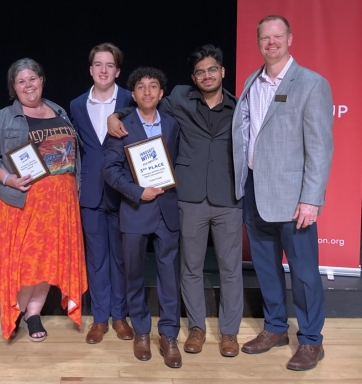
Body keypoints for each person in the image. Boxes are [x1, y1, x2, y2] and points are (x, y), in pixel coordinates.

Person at [107, 45, 243, 357]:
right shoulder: (179, 99)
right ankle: (195, 328)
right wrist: (116, 114)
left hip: (228, 198)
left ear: (222, 72)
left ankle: (230, 333)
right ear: (193, 78)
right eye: (200, 72)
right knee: (189, 268)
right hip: (189, 198)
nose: (206, 76)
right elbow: (144, 103)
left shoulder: (240, 106)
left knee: (231, 269)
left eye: (212, 70)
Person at [232, 15, 333, 371]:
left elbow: (320, 147)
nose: (271, 42)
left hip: (294, 200)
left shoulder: (310, 83)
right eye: (265, 37)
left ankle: (310, 340)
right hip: (255, 191)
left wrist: (311, 198)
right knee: (265, 268)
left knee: (304, 273)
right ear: (258, 41)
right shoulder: (251, 82)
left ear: (290, 38)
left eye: (277, 36)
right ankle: (275, 328)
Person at [0, 58, 87, 342]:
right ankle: (16, 310)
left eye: (33, 79)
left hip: (61, 203)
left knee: (48, 262)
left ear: (42, 80)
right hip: (24, 202)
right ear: (14, 87)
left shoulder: (59, 110)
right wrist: (6, 178)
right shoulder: (2, 117)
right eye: (21, 81)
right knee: (26, 263)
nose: (28, 85)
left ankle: (33, 313)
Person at [102, 67, 182, 368]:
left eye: (153, 87)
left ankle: (169, 335)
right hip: (136, 210)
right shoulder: (121, 125)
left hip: (167, 211)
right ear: (132, 94)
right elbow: (109, 169)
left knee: (169, 277)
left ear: (161, 93)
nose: (147, 92)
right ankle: (142, 333)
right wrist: (137, 191)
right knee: (134, 275)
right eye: (141, 87)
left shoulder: (173, 124)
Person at [69, 43, 134, 344]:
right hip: (91, 195)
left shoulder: (131, 100)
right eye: (98, 64)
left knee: (121, 259)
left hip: (123, 194)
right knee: (96, 260)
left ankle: (120, 317)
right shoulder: (77, 105)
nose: (104, 70)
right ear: (91, 69)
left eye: (110, 65)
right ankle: (100, 318)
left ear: (118, 71)